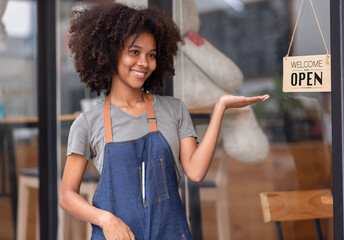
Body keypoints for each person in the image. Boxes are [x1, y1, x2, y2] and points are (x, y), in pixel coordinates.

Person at [59, 2, 269, 240]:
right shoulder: (88, 123)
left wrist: (220, 107)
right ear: (111, 52)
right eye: (134, 52)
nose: (144, 63)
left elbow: (196, 172)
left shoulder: (174, 110)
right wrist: (105, 219)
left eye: (151, 55)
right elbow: (67, 195)